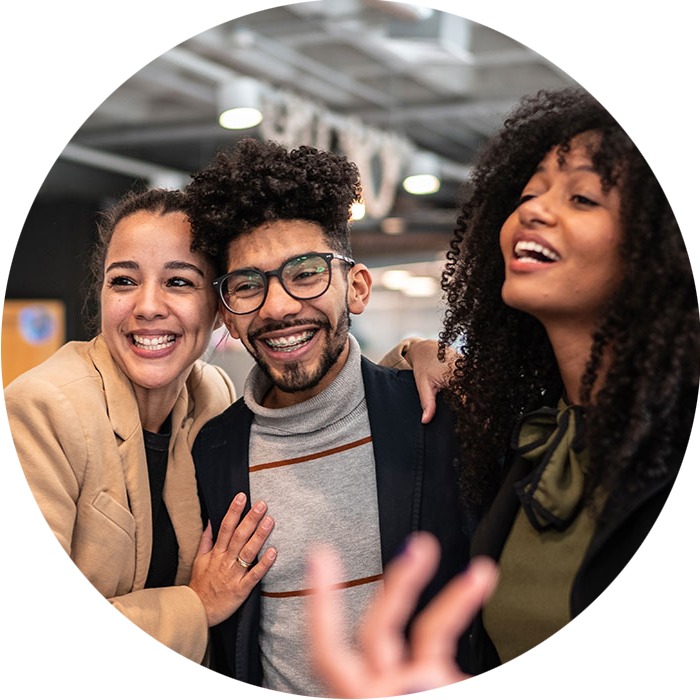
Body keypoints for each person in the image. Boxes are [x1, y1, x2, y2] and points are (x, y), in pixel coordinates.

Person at [310, 88, 700, 699]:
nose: (535, 211)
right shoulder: (535, 444)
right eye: (529, 192)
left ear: (666, 245)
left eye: (582, 197)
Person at [185, 139, 471, 697]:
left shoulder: (438, 420)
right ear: (228, 313)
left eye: (307, 272)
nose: (278, 307)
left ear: (356, 287)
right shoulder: (213, 452)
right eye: (248, 285)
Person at [1, 188, 278, 699]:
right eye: (124, 281)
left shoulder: (209, 395)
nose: (147, 306)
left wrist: (414, 359)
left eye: (178, 281)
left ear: (219, 308)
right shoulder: (42, 408)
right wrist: (199, 606)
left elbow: (304, 402)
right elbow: (43, 640)